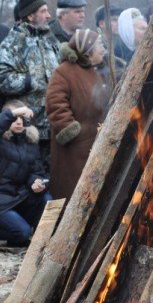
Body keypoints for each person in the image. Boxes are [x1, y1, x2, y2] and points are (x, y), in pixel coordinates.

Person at [0, 0, 60, 161]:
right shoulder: (13, 42)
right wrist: (29, 81)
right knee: (32, 180)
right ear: (30, 16)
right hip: (28, 128)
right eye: (43, 11)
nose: (48, 15)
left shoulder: (50, 40)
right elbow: (0, 79)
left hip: (54, 125)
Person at [46, 29, 112, 200]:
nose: (103, 49)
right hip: (75, 148)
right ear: (88, 50)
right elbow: (55, 104)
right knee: (75, 193)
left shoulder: (95, 70)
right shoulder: (64, 71)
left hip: (95, 138)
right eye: (99, 45)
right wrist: (73, 131)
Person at [0, 101, 49, 247]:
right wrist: (13, 113)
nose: (19, 122)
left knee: (46, 198)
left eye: (22, 118)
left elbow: (36, 171)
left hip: (17, 197)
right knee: (22, 233)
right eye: (15, 118)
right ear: (6, 117)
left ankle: (41, 240)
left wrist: (35, 182)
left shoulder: (30, 141)